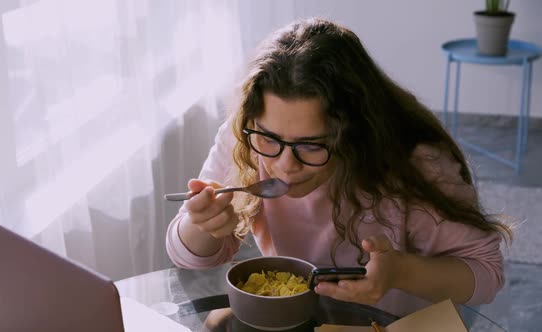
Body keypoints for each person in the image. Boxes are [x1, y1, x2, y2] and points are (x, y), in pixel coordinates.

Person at [165, 17, 512, 317]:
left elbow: (486, 273)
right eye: (271, 140)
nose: (285, 166)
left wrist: (400, 272)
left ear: (355, 133)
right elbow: (188, 256)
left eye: (311, 145)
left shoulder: (414, 162)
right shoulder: (247, 137)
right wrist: (202, 226)